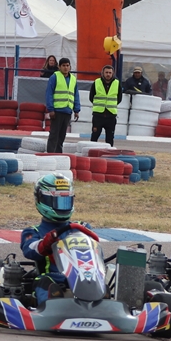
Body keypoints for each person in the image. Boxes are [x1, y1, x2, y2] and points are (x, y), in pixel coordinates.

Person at [21, 173, 77, 304]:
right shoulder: (33, 232)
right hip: (52, 278)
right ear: (42, 200)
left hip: (81, 277)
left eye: (66, 201)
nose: (63, 206)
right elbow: (29, 249)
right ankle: (49, 308)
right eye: (58, 201)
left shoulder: (80, 228)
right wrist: (45, 243)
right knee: (43, 282)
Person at [45, 57, 79, 153]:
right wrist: (51, 109)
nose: (66, 67)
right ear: (59, 67)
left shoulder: (73, 79)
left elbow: (76, 95)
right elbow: (49, 93)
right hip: (57, 111)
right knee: (54, 134)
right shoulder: (54, 77)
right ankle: (50, 154)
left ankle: (58, 154)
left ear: (70, 67)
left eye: (67, 65)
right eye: (63, 65)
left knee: (62, 135)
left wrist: (76, 110)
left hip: (67, 111)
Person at [89, 64, 121, 145]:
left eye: (110, 73)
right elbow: (91, 97)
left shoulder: (117, 83)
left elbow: (119, 98)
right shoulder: (96, 82)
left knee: (110, 138)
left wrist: (110, 104)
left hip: (111, 115)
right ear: (102, 73)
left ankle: (109, 152)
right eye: (106, 72)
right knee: (94, 136)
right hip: (98, 115)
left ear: (113, 73)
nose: (108, 74)